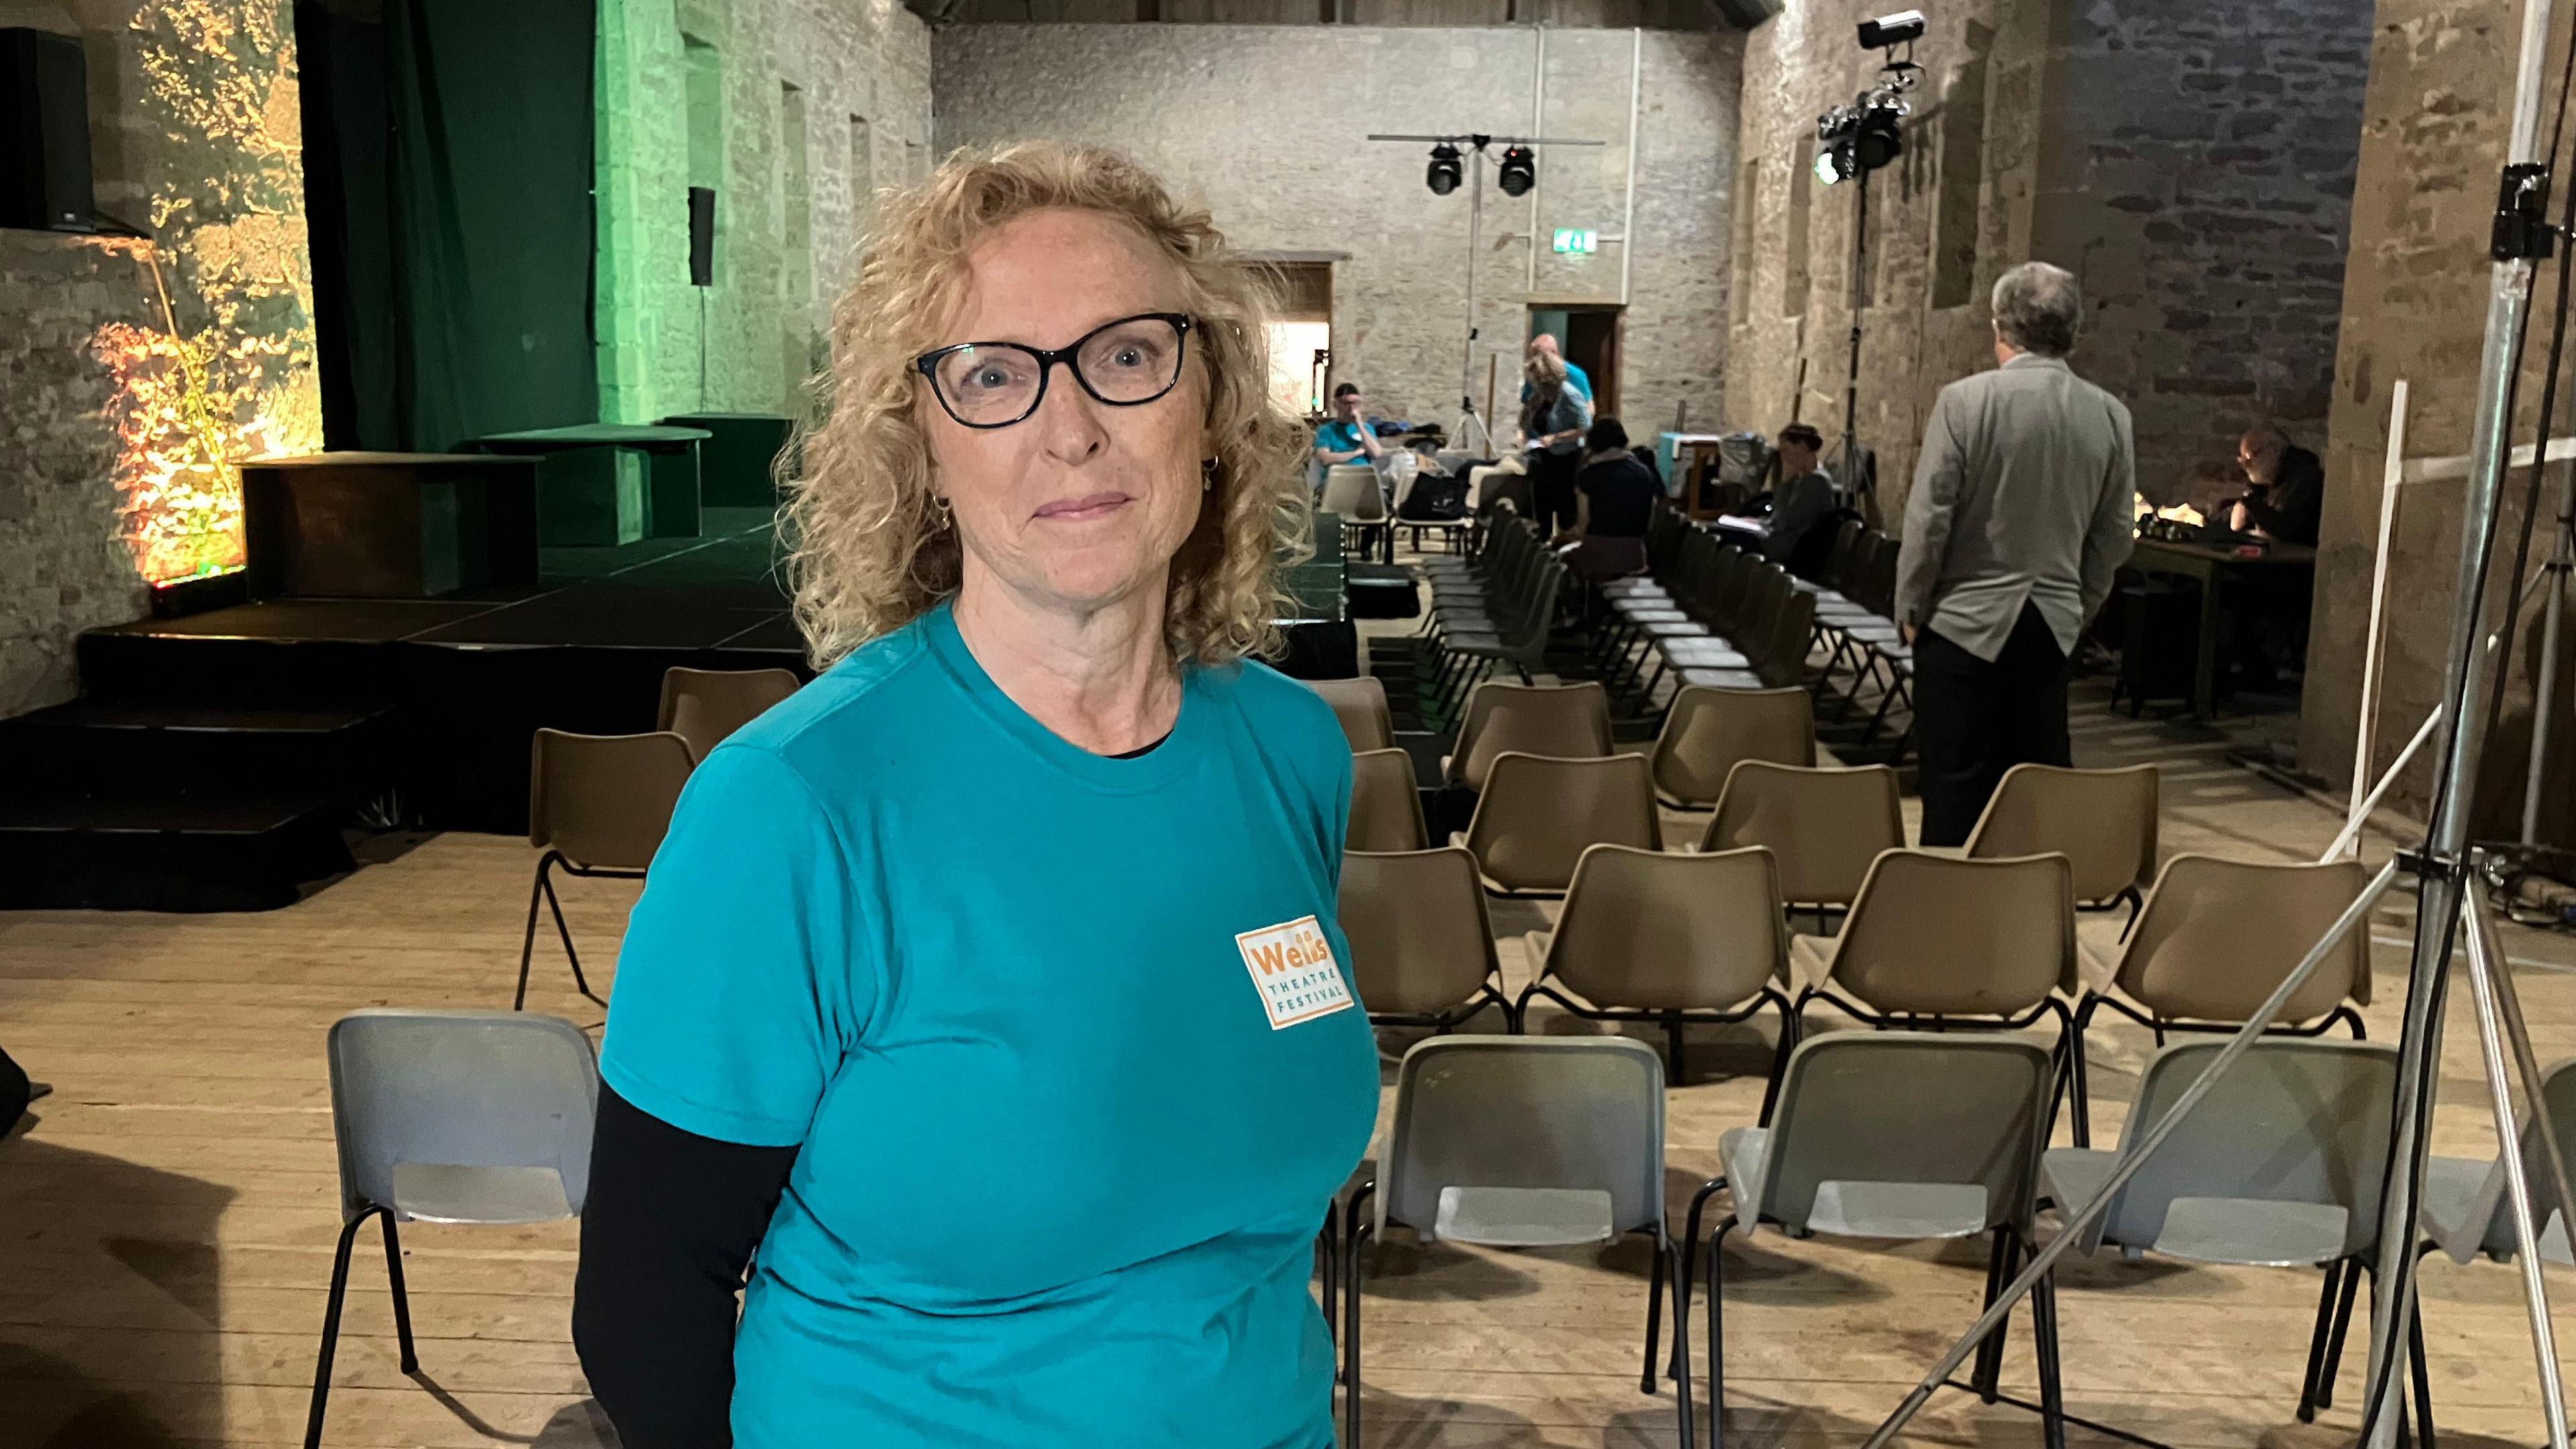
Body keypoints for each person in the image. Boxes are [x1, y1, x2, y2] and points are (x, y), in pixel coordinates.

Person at [573, 143, 1379, 1449]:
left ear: (1213, 410)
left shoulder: (1292, 753)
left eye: (1127, 356)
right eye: (995, 375)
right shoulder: (792, 808)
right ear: (925, 446)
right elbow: (641, 1304)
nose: (1072, 428)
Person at [1896, 260, 2135, 847]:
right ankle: (2023, 920)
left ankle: (1952, 920)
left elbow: (1930, 518)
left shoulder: (1965, 402)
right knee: (2033, 792)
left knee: (1953, 787)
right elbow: (2115, 532)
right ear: (2073, 330)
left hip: (1962, 623)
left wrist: (1910, 602)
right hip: (2048, 627)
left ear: (1999, 325)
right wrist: (2078, 604)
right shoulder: (2108, 415)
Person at [1558, 417, 1662, 583]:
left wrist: (1561, 537)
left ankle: (1578, 606)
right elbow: (1649, 523)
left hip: (1598, 555)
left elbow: (1583, 526)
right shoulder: (1645, 473)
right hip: (1634, 557)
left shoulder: (1589, 475)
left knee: (1562, 561)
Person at [1519, 352, 1591, 534]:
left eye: (1538, 380)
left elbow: (1585, 427)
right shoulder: (1540, 396)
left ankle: (1565, 549)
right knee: (1542, 510)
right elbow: (1528, 422)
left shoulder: (1569, 395)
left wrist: (1556, 438)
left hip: (1565, 459)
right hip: (1542, 458)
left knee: (1565, 511)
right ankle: (1541, 548)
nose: (1535, 384)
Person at [2227, 423, 2324, 547]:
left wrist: (2251, 504)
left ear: (2274, 450)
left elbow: (2289, 530)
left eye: (2250, 457)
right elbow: (2237, 524)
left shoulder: (2306, 478)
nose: (2247, 466)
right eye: (2243, 461)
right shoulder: (2269, 479)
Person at [1761, 423, 1839, 573]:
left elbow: (1784, 521)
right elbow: (1778, 516)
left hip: (1789, 549)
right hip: (1781, 543)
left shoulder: (1815, 482)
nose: (1783, 457)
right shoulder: (1804, 479)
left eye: (1786, 450)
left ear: (1803, 446)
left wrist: (1785, 482)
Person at [1312, 381, 1386, 476]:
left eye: (1356, 403)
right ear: (1336, 405)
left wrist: (1359, 425)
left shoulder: (1366, 428)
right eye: (1347, 403)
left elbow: (1376, 453)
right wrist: (1356, 453)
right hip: (1338, 477)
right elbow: (1324, 458)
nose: (1352, 408)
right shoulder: (1326, 430)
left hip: (1364, 477)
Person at [1521, 331, 1595, 404]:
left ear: (1554, 353)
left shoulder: (1575, 374)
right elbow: (1525, 400)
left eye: (1541, 356)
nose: (1536, 361)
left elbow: (1588, 407)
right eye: (1534, 356)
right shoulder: (1534, 375)